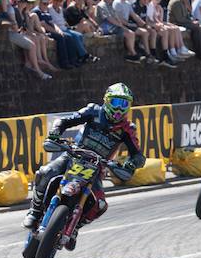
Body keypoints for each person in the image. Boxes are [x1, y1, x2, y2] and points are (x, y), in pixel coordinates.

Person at [22, 83, 146, 247]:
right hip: (73, 155)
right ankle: (35, 211)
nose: (119, 109)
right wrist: (55, 134)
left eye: (124, 104)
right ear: (107, 101)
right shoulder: (93, 111)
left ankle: (75, 227)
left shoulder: (127, 129)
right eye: (115, 102)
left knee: (100, 205)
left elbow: (138, 155)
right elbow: (64, 121)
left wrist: (130, 164)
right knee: (45, 172)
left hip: (97, 167)